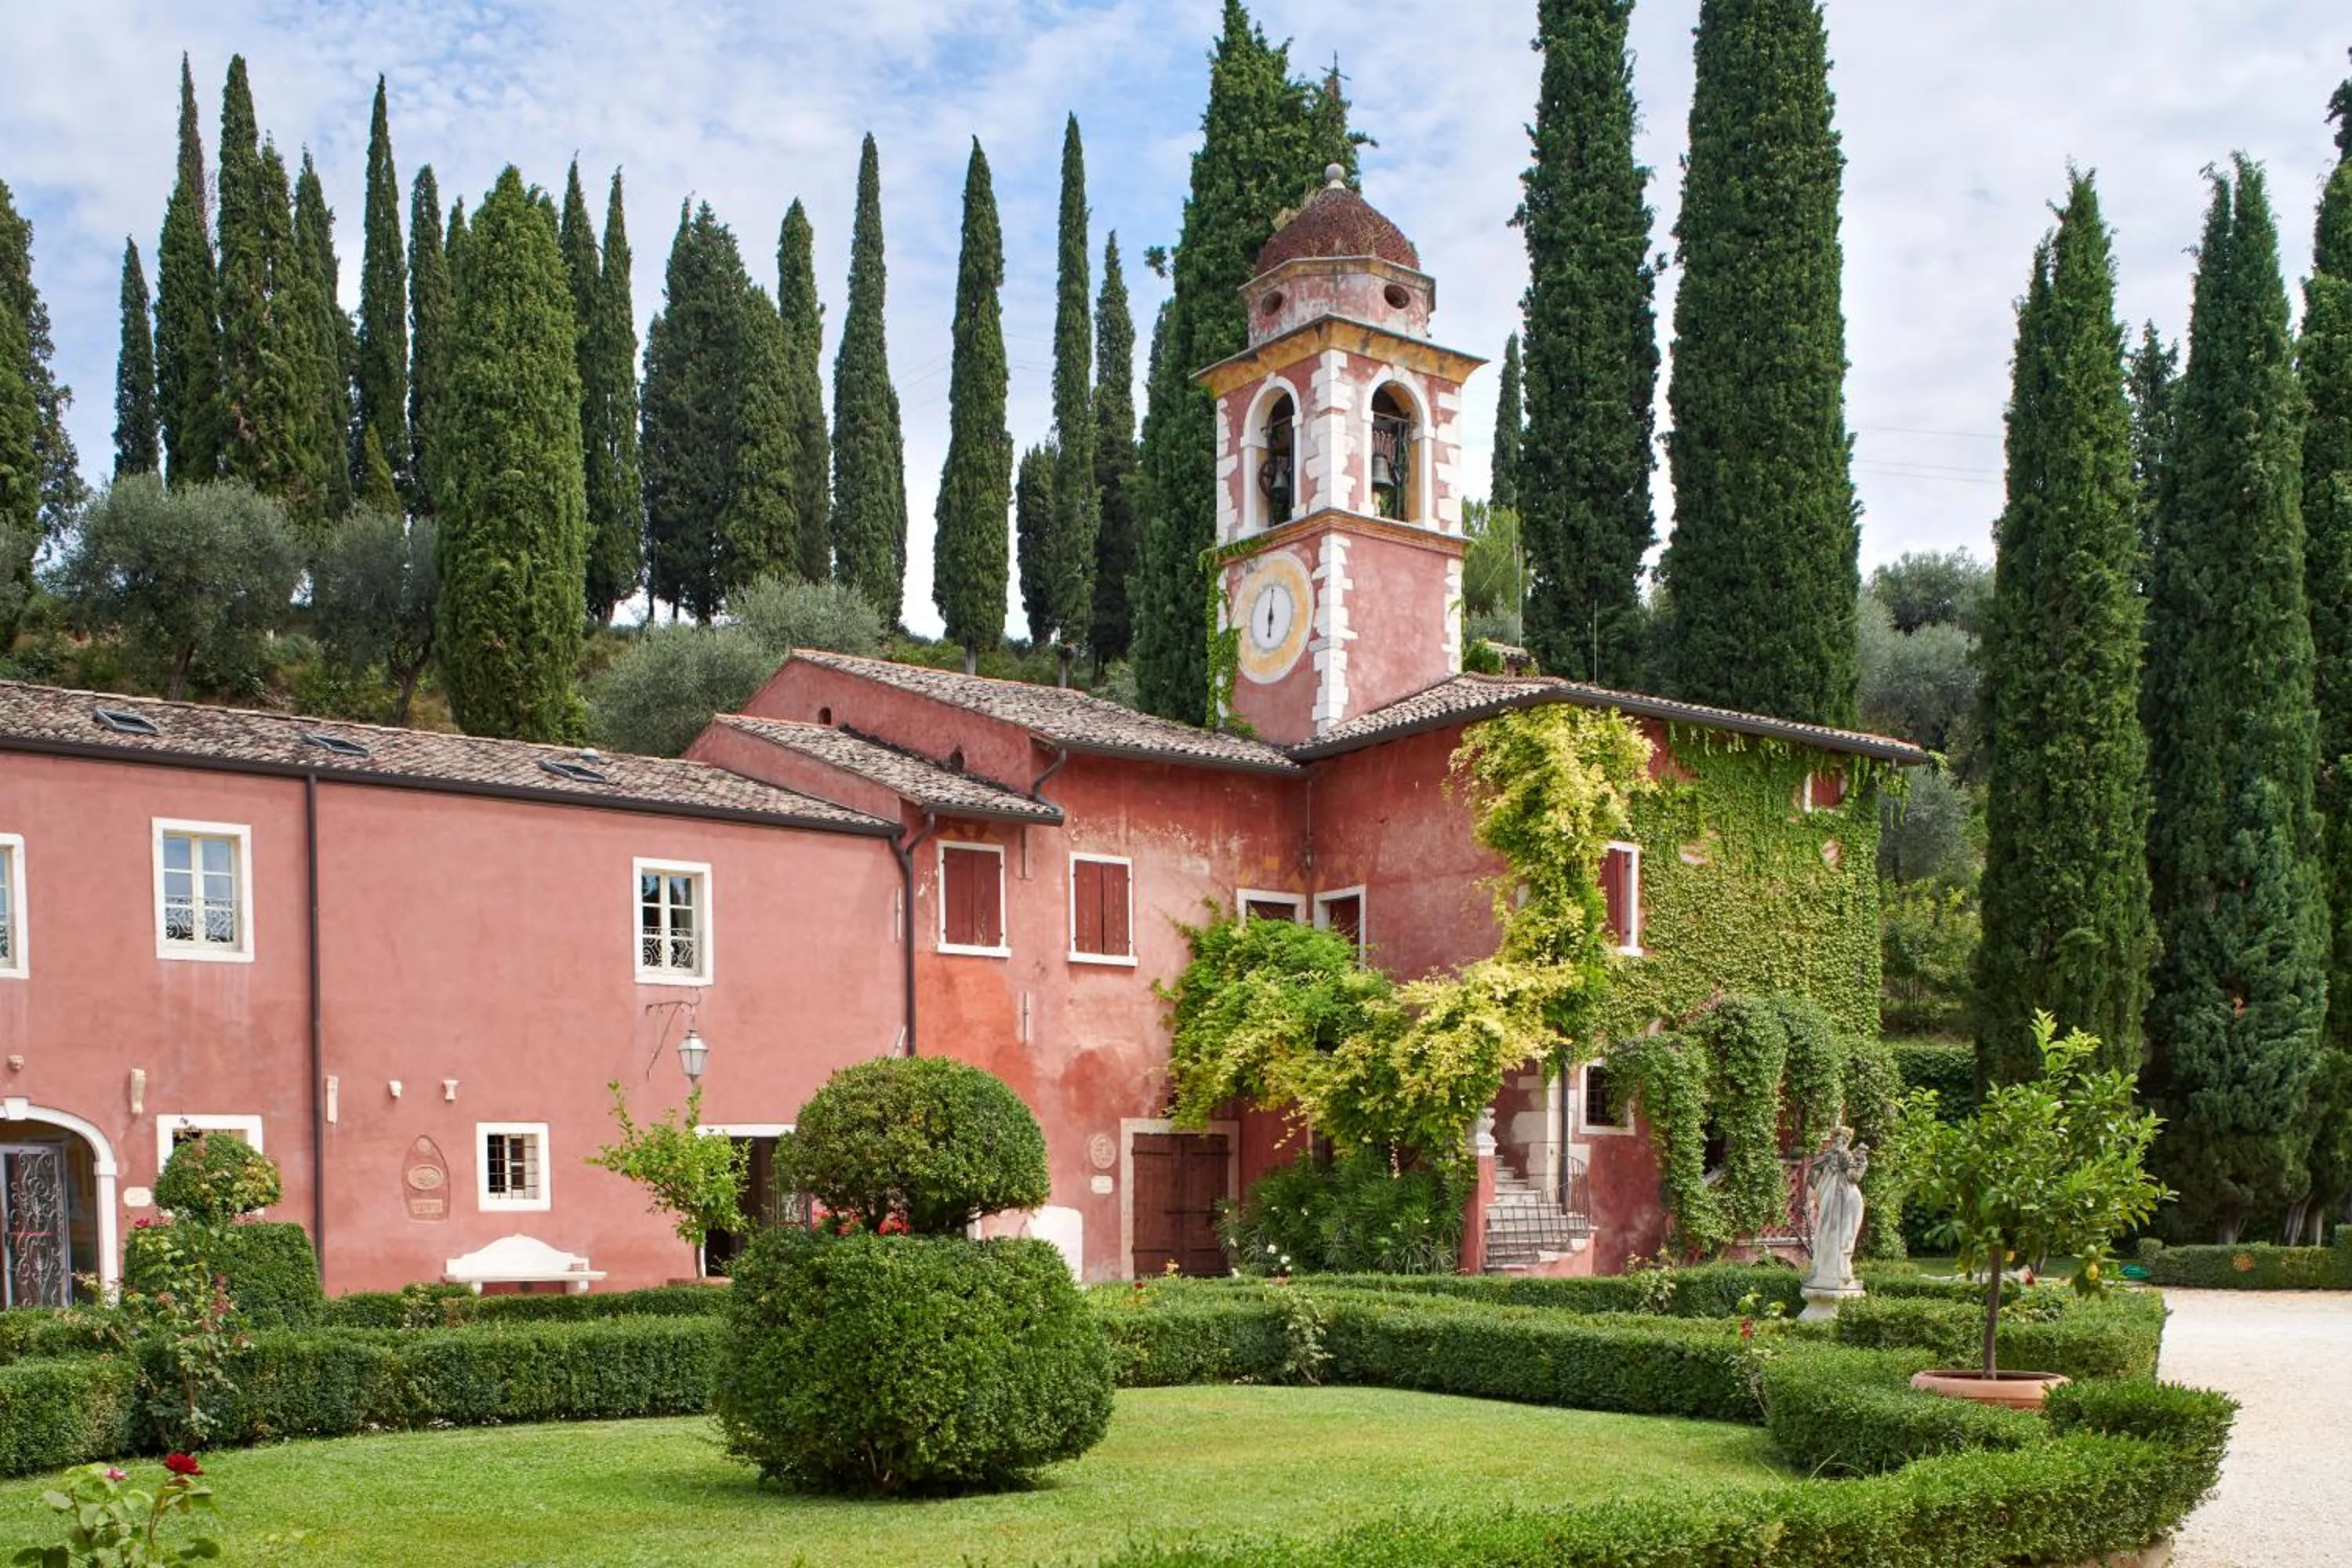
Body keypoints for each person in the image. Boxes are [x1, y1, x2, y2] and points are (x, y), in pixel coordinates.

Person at [1806, 1127, 1867, 1292]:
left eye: (1842, 1139)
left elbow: (1854, 1178)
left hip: (1849, 1199)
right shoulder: (1825, 1158)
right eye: (1836, 1139)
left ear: (1847, 1141)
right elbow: (1813, 1181)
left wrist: (1848, 1160)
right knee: (1825, 1232)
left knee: (1847, 1234)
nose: (1838, 1142)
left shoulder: (1856, 1158)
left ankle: (1842, 1268)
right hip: (1829, 1199)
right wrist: (1817, 1167)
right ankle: (1823, 1270)